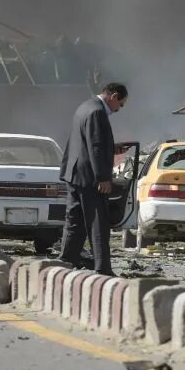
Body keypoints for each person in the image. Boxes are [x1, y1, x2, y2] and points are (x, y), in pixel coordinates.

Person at [58, 82, 128, 276]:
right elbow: (95, 146)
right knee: (98, 223)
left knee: (74, 221)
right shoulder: (98, 112)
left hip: (75, 174)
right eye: (120, 105)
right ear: (113, 96)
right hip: (90, 177)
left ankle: (66, 262)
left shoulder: (85, 106)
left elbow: (87, 142)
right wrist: (102, 178)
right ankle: (103, 268)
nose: (118, 110)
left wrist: (113, 148)